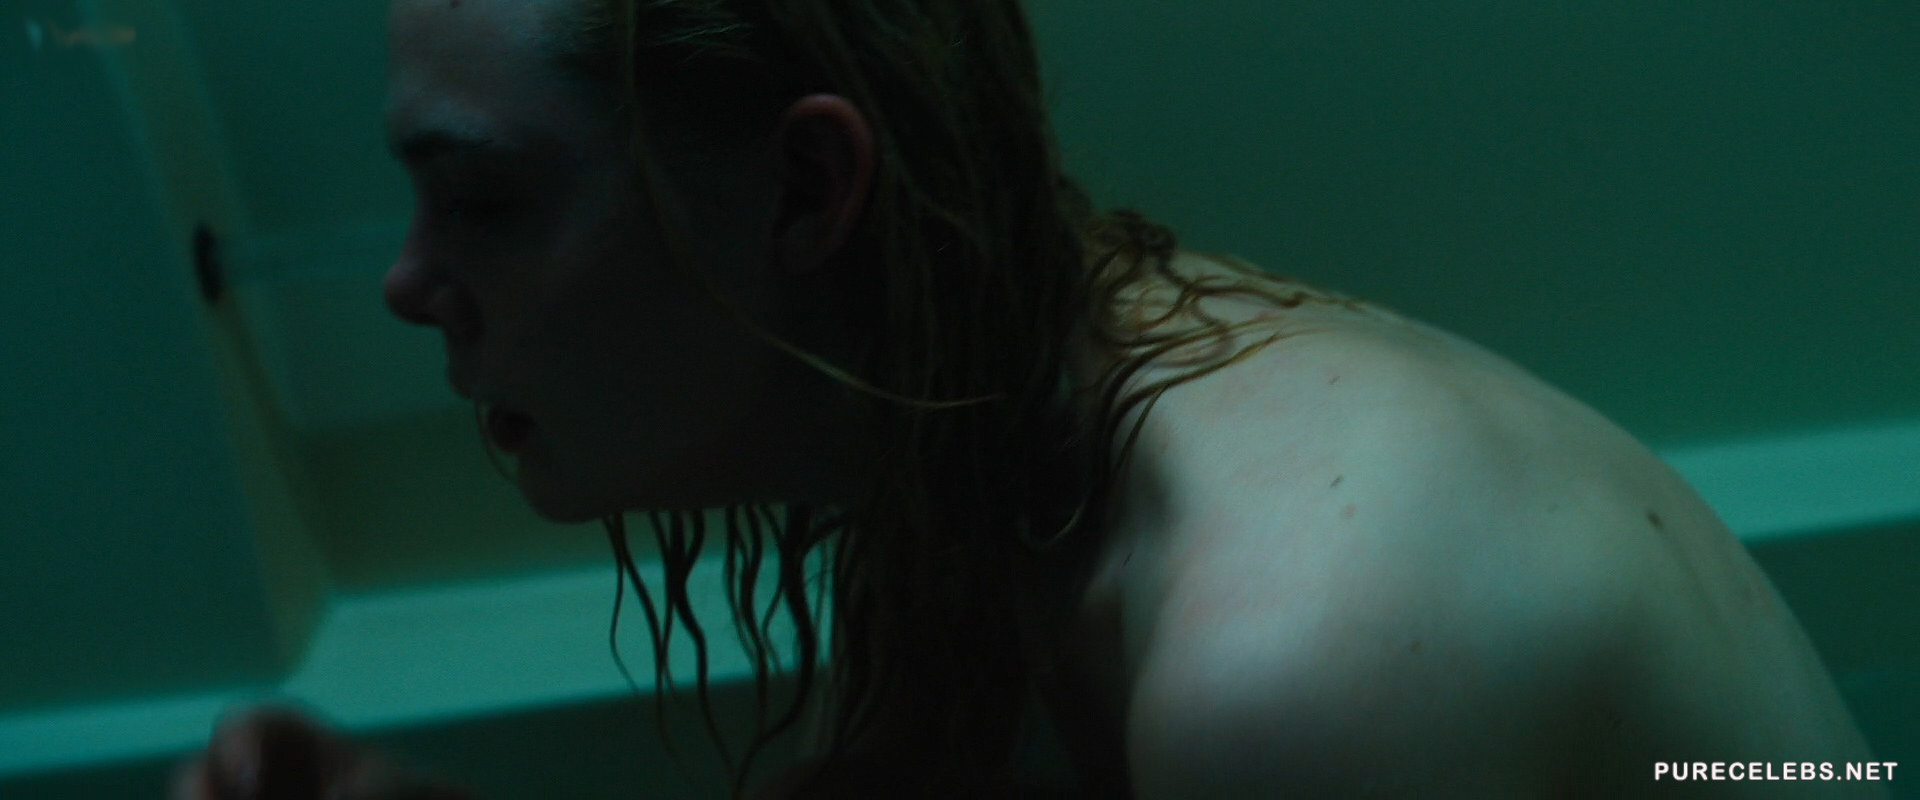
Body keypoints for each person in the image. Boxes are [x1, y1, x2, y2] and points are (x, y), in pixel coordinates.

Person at [174, 0, 1883, 797]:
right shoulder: (988, 411)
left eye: (481, 202)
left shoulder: (1293, 663)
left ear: (803, 194)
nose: (407, 284)